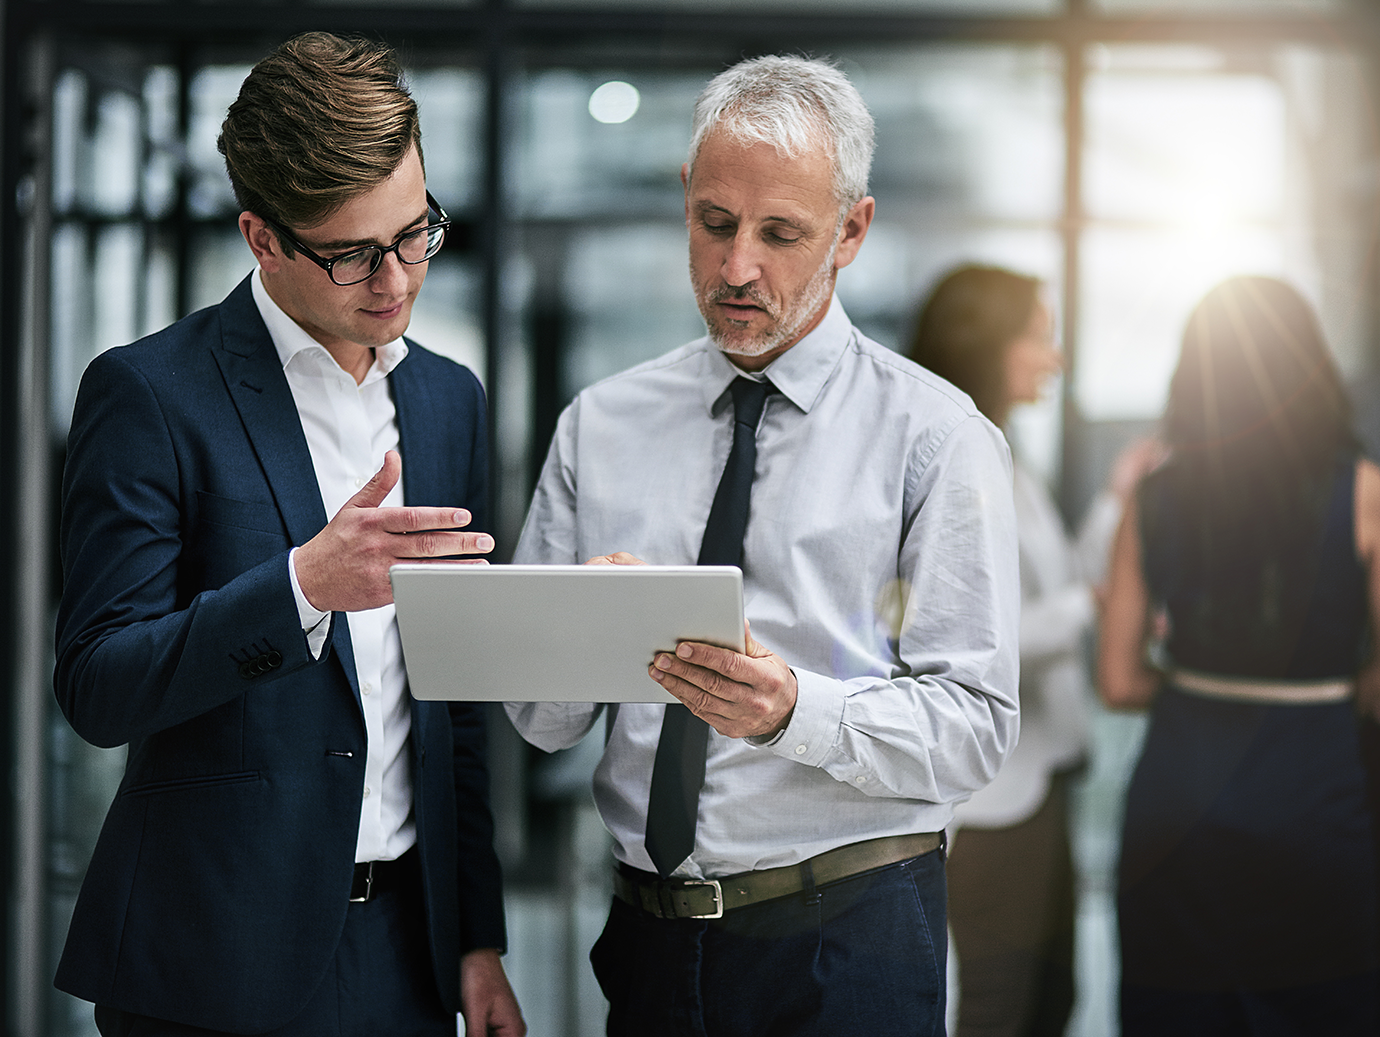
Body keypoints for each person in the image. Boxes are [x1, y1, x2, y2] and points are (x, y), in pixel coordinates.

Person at [506, 55, 1020, 1037]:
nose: (738, 267)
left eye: (781, 233)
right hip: (647, 942)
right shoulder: (601, 422)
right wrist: (576, 633)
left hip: (851, 939)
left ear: (852, 231)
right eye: (714, 223)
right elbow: (540, 721)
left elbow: (975, 731)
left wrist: (795, 710)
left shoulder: (936, 437)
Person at [52, 32, 524, 1037]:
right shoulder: (148, 394)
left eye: (415, 232)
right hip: (210, 962)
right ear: (263, 238)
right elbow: (98, 683)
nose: (396, 280)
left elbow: (456, 708)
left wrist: (475, 939)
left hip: (408, 953)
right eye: (353, 254)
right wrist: (304, 584)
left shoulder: (450, 400)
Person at [1098, 276, 1380, 1036]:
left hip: (1179, 797)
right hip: (1314, 796)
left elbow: (1118, 679)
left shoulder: (1152, 496)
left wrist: (1195, 683)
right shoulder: (1364, 493)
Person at [909, 263, 1153, 1037]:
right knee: (998, 1006)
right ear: (988, 344)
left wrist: (1119, 498)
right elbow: (980, 638)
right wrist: (1090, 606)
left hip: (1038, 780)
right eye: (1039, 338)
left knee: (1051, 1000)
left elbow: (1069, 583)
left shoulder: (1007, 454)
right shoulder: (946, 463)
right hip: (991, 803)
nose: (1054, 358)